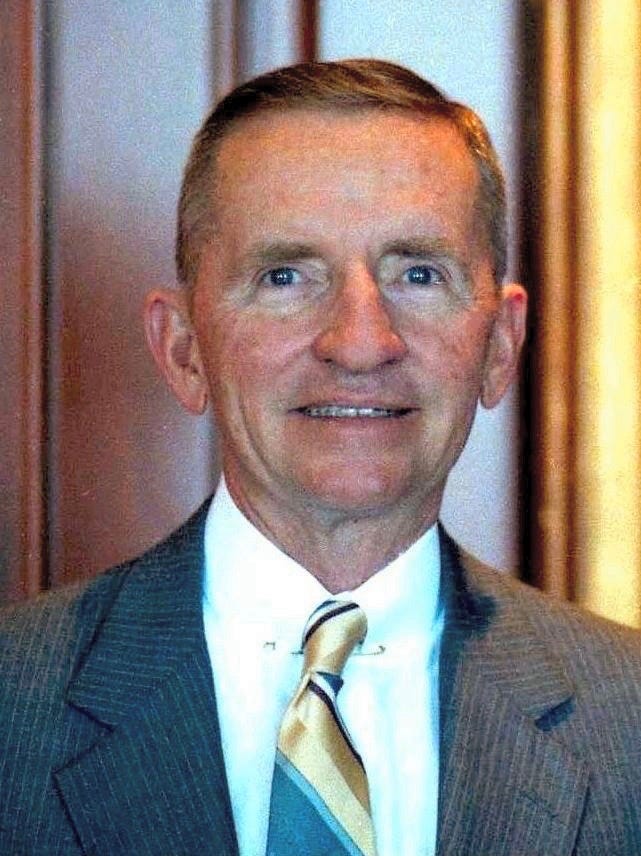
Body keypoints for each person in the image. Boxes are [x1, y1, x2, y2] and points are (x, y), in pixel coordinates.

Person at [1, 59, 640, 856]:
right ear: (183, 348)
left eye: (417, 273)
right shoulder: (14, 701)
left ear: (500, 346)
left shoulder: (627, 719)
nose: (361, 343)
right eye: (285, 276)